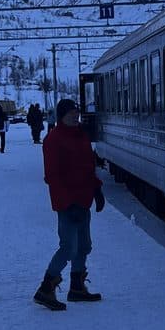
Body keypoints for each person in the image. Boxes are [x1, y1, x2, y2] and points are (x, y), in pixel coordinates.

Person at [34, 98, 104, 310]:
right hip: (68, 203)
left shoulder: (81, 135)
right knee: (68, 248)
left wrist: (97, 189)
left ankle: (77, 287)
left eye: (77, 112)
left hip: (83, 200)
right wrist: (66, 203)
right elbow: (52, 176)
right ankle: (46, 289)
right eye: (71, 113)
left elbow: (87, 166)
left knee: (84, 246)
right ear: (61, 116)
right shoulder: (53, 140)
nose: (76, 115)